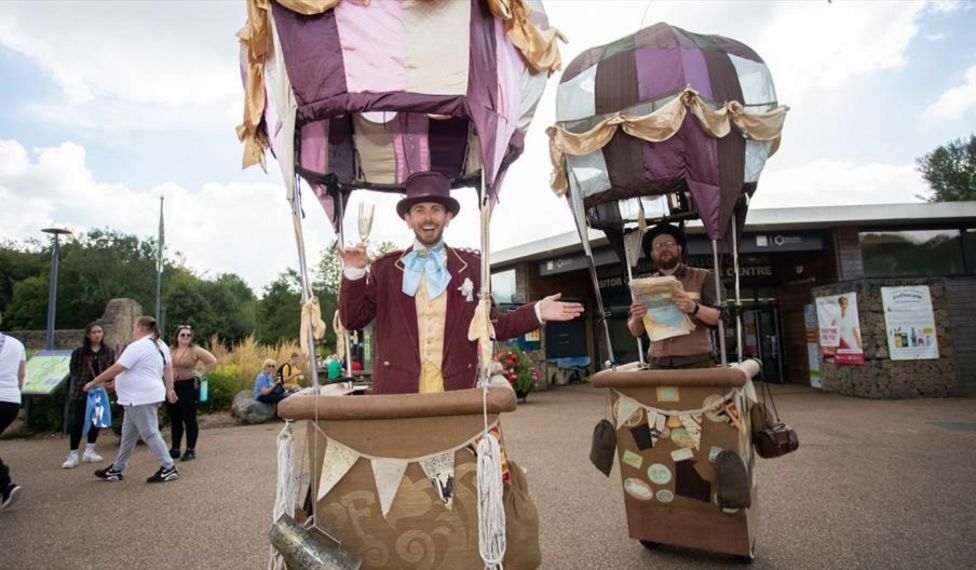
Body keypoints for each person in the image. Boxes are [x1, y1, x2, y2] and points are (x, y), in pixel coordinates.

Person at [338, 171, 584, 394]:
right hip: (397, 394)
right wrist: (354, 273)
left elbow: (493, 324)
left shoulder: (472, 266)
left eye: (436, 209)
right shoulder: (386, 269)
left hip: (456, 392)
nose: (428, 218)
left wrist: (537, 311)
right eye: (419, 210)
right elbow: (352, 319)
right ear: (408, 218)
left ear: (448, 217)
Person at [84, 316, 179, 483]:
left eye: (135, 328)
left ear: (141, 328)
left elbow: (118, 367)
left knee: (150, 432)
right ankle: (117, 469)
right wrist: (170, 389)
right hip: (136, 398)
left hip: (140, 398)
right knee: (128, 435)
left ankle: (168, 467)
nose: (133, 331)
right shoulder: (160, 344)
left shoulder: (138, 346)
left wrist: (94, 381)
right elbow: (167, 368)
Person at [627, 223, 724, 369]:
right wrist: (636, 318)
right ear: (652, 254)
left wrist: (694, 308)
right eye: (658, 246)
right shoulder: (643, 286)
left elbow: (721, 318)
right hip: (658, 363)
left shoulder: (704, 277)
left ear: (679, 248)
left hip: (697, 362)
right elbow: (635, 332)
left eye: (668, 244)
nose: (664, 248)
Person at [62, 322, 116, 469]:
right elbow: (74, 371)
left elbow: (111, 370)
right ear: (88, 334)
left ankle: (90, 450)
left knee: (96, 420)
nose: (97, 334)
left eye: (100, 331)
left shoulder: (108, 352)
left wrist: (106, 383)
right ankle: (73, 453)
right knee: (78, 421)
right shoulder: (79, 353)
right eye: (94, 332)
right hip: (83, 391)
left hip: (100, 390)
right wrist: (86, 384)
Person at [167, 325, 216, 462]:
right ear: (177, 336)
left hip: (189, 385)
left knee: (189, 418)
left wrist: (200, 374)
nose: (185, 337)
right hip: (173, 385)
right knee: (175, 417)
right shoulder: (170, 350)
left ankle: (190, 449)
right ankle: (175, 448)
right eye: (182, 335)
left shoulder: (195, 350)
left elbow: (212, 361)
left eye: (188, 335)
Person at [0, 311, 26, 510]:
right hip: (11, 401)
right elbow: (21, 375)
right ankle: (6, 486)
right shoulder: (16, 344)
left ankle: (6, 485)